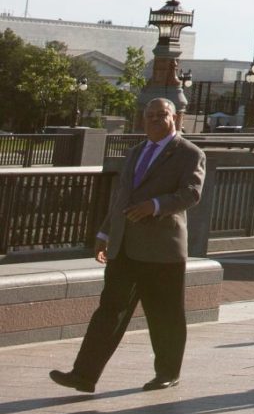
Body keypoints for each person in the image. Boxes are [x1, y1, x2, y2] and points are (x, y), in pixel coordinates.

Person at [49, 97, 206, 396]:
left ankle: (168, 373)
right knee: (109, 311)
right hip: (124, 248)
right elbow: (122, 196)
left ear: (175, 118)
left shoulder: (189, 153)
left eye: (161, 115)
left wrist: (156, 205)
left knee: (165, 315)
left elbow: (191, 193)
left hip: (162, 251)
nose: (155, 120)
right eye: (150, 116)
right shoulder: (135, 152)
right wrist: (106, 233)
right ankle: (83, 375)